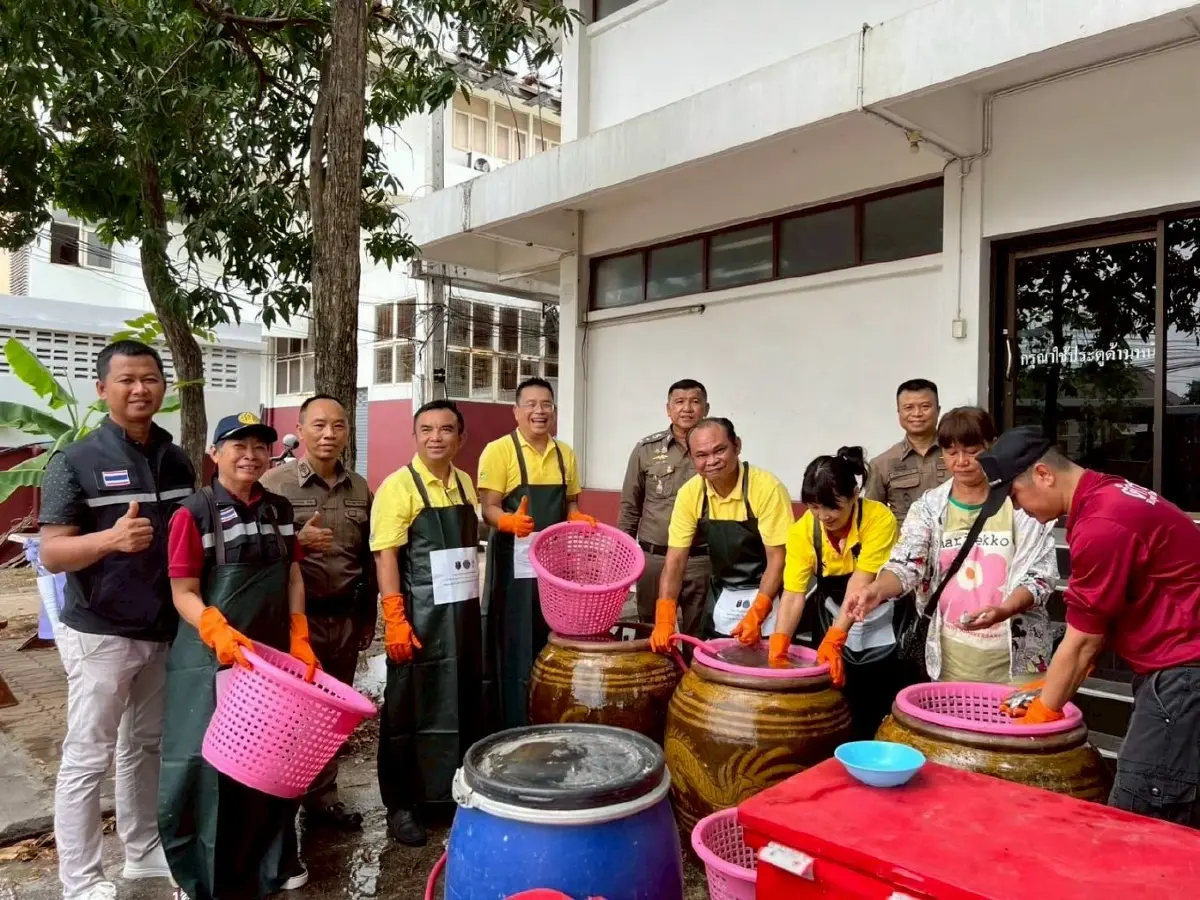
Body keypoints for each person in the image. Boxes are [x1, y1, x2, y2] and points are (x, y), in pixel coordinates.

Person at [981, 426, 1200, 828]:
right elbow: (1110, 611)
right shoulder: (1110, 492)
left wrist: (1043, 714)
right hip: (1180, 666)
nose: (1018, 509)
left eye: (1015, 497)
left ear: (1044, 475)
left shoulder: (1102, 523)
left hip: (1184, 675)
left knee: (1139, 818)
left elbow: (1083, 642)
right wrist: (1054, 685)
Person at [38, 340, 195, 900]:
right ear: (103, 389)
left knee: (144, 745)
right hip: (100, 631)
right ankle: (79, 879)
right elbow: (52, 552)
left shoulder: (177, 459)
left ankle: (142, 852)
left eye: (150, 379)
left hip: (161, 628)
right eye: (126, 380)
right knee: (88, 754)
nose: (140, 389)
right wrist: (111, 539)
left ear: (162, 387)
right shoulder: (75, 461)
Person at [159, 413, 318, 900]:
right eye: (237, 446)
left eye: (259, 446)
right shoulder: (194, 513)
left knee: (270, 759)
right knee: (204, 766)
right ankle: (197, 872)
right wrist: (215, 628)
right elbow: (183, 591)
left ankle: (271, 860)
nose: (250, 455)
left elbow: (292, 575)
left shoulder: (280, 509)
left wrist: (299, 632)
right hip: (212, 660)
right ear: (214, 454)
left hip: (270, 659)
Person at [847, 409, 1058, 687]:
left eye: (972, 451)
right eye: (951, 452)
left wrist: (1005, 609)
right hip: (952, 656)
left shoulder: (1022, 502)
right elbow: (906, 563)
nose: (961, 462)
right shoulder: (929, 507)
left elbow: (1040, 576)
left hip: (1019, 658)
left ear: (991, 445)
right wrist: (877, 590)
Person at [370, 400, 485, 847]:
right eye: (427, 430)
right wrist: (394, 619)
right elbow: (386, 557)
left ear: (460, 438)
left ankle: (449, 795)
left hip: (461, 615)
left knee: (459, 702)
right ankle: (403, 805)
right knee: (409, 711)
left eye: (446, 430)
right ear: (415, 436)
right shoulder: (399, 487)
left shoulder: (463, 483)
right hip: (419, 615)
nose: (436, 437)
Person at [260, 394, 375, 832]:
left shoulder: (361, 488)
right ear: (301, 428)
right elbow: (254, 555)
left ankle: (323, 798)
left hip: (344, 619)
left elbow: (366, 559)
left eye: (339, 426)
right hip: (294, 623)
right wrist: (296, 544)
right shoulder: (274, 484)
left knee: (332, 717)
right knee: (290, 717)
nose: (329, 435)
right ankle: (279, 802)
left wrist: (369, 620)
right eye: (319, 425)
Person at [477, 377, 596, 729]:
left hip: (554, 566)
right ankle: (511, 720)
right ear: (516, 412)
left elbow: (571, 505)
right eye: (530, 404)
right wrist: (508, 521)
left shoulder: (565, 455)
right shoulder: (499, 451)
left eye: (546, 404)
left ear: (555, 411)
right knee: (513, 641)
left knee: (553, 637)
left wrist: (578, 518)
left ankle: (551, 715)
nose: (539, 411)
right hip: (513, 566)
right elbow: (488, 508)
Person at [768, 448, 900, 738]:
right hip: (828, 613)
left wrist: (836, 639)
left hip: (878, 615)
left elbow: (861, 582)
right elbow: (792, 594)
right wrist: (779, 643)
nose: (823, 516)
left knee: (876, 701)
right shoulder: (803, 531)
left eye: (832, 507)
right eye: (814, 507)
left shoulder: (879, 519)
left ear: (854, 494)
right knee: (832, 702)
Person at [649, 418, 794, 651]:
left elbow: (778, 560)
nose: (712, 461)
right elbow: (675, 561)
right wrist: (665, 617)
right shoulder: (690, 494)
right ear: (692, 458)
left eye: (720, 450)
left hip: (769, 593)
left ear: (736, 446)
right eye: (701, 455)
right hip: (723, 593)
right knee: (714, 663)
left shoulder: (766, 488)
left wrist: (758, 612)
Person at [617, 379, 713, 637]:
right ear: (668, 409)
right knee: (650, 632)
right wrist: (622, 557)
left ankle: (691, 677)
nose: (687, 408)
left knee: (699, 634)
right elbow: (630, 506)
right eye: (679, 402)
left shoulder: (714, 452)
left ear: (706, 408)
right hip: (655, 559)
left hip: (700, 560)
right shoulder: (646, 450)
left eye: (694, 401)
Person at [866, 379, 949, 524]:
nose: (917, 413)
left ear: (938, 410)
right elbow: (871, 517)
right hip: (905, 542)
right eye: (908, 407)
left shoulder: (957, 454)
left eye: (925, 406)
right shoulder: (882, 464)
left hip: (954, 542)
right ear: (899, 412)